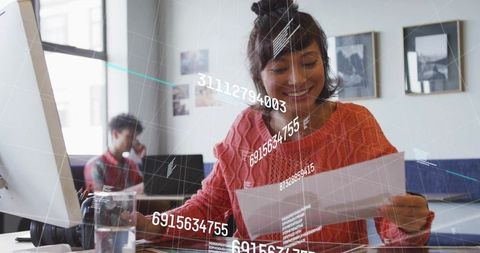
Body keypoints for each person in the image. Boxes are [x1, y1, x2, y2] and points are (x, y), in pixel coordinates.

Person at [137, 0, 434, 246]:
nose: (298, 79)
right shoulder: (245, 128)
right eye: (279, 68)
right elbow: (209, 206)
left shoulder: (355, 124)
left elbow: (389, 219)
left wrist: (409, 225)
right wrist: (153, 226)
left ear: (324, 63)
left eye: (309, 63)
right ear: (260, 77)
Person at [84, 113, 146, 192]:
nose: (134, 141)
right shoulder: (96, 165)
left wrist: (143, 159)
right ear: (115, 134)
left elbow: (148, 189)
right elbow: (100, 196)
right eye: (130, 136)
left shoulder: (131, 164)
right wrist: (134, 190)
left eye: (135, 137)